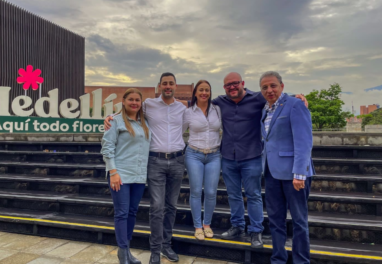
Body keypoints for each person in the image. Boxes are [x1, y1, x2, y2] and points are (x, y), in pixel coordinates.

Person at [211, 72, 307, 248]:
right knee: (233, 195)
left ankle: (256, 231)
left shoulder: (258, 97)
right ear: (224, 88)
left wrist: (297, 97)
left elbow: (278, 100)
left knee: (253, 195)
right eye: (228, 85)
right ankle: (237, 226)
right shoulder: (220, 102)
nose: (232, 87)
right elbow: (199, 103)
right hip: (228, 157)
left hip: (252, 156)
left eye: (235, 83)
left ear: (243, 83)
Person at [105, 73, 186, 264]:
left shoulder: (181, 108)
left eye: (171, 83)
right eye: (164, 83)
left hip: (170, 163)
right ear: (159, 86)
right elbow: (111, 138)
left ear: (176, 86)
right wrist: (109, 117)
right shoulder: (149, 104)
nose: (168, 86)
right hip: (151, 164)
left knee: (170, 207)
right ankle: (153, 251)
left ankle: (165, 246)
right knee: (155, 208)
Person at [259, 71, 314, 264]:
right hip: (272, 173)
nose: (269, 90)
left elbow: (304, 141)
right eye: (264, 87)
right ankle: (278, 259)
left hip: (294, 174)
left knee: (299, 221)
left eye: (273, 85)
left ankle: (301, 261)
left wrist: (299, 174)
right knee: (275, 220)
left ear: (282, 86)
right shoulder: (265, 109)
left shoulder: (295, 104)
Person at [101, 88, 151, 264]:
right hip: (120, 175)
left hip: (138, 176)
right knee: (122, 213)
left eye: (138, 100)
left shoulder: (144, 122)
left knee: (132, 212)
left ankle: (127, 250)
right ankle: (123, 254)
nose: (134, 103)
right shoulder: (115, 121)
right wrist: (113, 172)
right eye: (131, 99)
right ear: (123, 101)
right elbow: (107, 148)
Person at [182, 80, 222, 240]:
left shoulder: (217, 110)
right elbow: (179, 130)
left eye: (207, 90)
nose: (204, 93)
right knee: (196, 191)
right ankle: (198, 226)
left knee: (211, 192)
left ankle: (207, 225)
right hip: (194, 154)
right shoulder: (189, 112)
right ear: (196, 93)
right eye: (201, 90)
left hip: (214, 155)